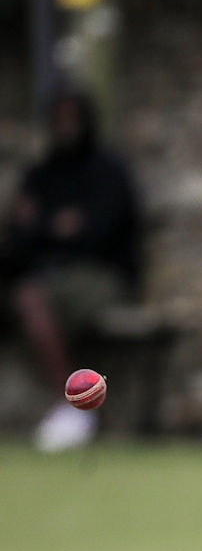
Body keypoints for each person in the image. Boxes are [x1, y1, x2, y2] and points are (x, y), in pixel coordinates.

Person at [2, 86, 143, 451]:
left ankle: (73, 406)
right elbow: (20, 235)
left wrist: (49, 228)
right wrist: (55, 227)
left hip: (101, 276)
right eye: (58, 118)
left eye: (72, 118)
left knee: (31, 298)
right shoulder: (42, 173)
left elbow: (105, 230)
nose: (65, 126)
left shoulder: (108, 170)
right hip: (46, 275)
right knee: (28, 294)